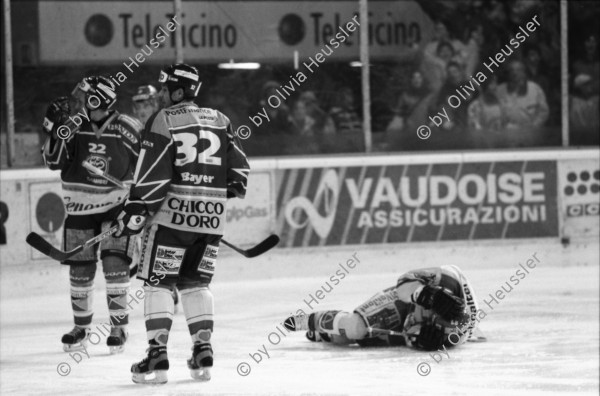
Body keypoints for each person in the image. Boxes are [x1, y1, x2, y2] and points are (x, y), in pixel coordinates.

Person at [113, 63, 250, 384]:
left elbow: (152, 177)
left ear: (177, 91)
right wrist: (215, 193)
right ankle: (203, 349)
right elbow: (240, 170)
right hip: (211, 221)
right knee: (196, 285)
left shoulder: (162, 120)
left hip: (170, 224)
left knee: (158, 284)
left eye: (163, 89)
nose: (159, 94)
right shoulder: (220, 119)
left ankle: (157, 356)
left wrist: (133, 214)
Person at [41, 76, 142, 354]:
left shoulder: (129, 128)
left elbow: (149, 165)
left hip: (116, 207)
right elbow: (52, 161)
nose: (79, 102)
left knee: (114, 265)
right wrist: (54, 129)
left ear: (99, 99)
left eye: (85, 97)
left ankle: (118, 327)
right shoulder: (74, 125)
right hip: (79, 208)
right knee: (80, 270)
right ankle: (81, 328)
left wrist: (142, 202)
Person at [285, 265, 481, 351]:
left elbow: (410, 333)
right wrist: (423, 294)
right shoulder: (447, 277)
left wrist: (423, 342)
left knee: (351, 339)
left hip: (414, 317)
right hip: (406, 300)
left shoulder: (454, 334)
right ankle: (310, 320)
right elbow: (404, 282)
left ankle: (326, 334)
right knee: (355, 328)